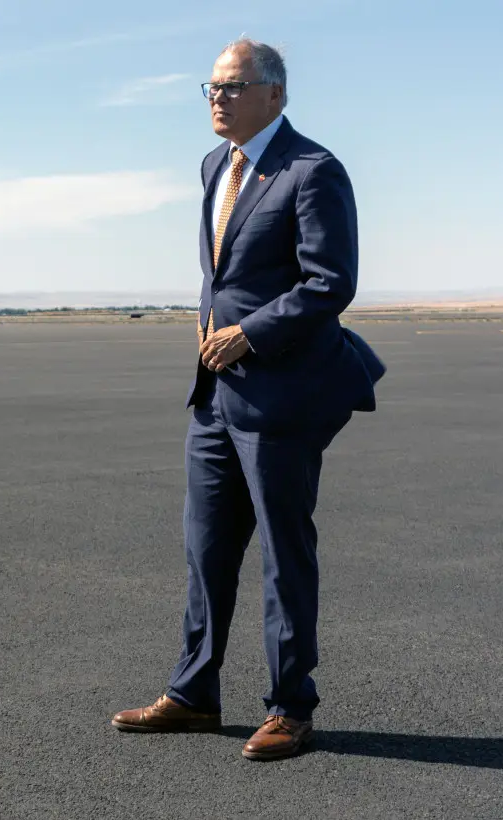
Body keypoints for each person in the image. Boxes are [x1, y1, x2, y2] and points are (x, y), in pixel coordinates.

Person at [111, 37, 386, 761]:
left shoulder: (313, 170)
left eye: (233, 87)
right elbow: (225, 273)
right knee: (205, 552)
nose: (217, 98)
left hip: (280, 397)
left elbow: (331, 282)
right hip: (214, 398)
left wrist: (249, 335)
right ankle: (194, 693)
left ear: (275, 95)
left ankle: (292, 707)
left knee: (283, 554)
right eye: (210, 87)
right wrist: (210, 329)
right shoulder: (214, 166)